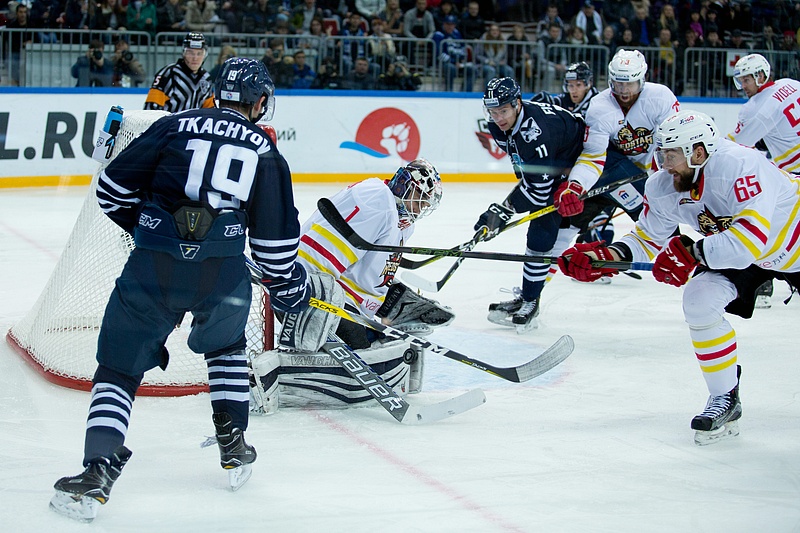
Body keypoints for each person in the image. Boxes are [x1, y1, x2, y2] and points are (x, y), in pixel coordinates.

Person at [49, 57, 310, 521]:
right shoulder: (267, 153)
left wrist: (156, 232)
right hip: (223, 275)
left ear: (214, 92)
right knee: (227, 348)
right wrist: (290, 285)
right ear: (262, 101)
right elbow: (273, 250)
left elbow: (110, 189)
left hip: (152, 267)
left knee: (118, 368)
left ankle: (97, 472)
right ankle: (234, 446)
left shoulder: (172, 126)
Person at [558, 110, 800, 446]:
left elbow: (748, 242)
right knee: (699, 300)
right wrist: (604, 258)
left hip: (787, 241)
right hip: (743, 250)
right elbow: (648, 238)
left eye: (671, 155)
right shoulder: (664, 185)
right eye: (660, 154)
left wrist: (692, 253)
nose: (663, 164)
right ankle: (725, 396)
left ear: (699, 152)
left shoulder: (740, 166)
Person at [249, 159, 452, 412]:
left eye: (426, 203)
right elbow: (323, 257)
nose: (421, 208)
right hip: (304, 291)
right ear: (404, 187)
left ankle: (383, 326)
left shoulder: (397, 217)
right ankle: (276, 371)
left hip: (319, 288)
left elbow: (367, 273)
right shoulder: (378, 200)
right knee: (363, 346)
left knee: (379, 341)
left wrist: (386, 305)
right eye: (419, 198)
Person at [475, 77, 585, 333]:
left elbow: (539, 192)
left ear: (517, 103)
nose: (497, 117)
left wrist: (504, 209)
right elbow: (526, 169)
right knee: (544, 228)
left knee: (541, 228)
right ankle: (529, 296)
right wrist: (503, 209)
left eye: (503, 110)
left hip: (584, 158)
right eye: (492, 111)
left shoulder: (535, 133)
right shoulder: (497, 123)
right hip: (558, 160)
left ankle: (530, 300)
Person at [561, 49, 679, 252]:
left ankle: (683, 261)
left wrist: (660, 175)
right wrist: (576, 185)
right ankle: (588, 257)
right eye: (618, 83)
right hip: (614, 172)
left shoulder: (660, 98)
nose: (624, 90)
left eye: (630, 83)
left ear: (643, 79)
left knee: (661, 222)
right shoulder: (599, 107)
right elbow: (592, 155)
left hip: (646, 174)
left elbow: (670, 144)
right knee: (567, 223)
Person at [727, 53, 800, 308]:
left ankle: (761, 283)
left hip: (792, 180)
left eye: (746, 80)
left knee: (767, 227)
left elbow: (735, 147)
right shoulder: (792, 84)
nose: (743, 86)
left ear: (760, 75)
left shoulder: (756, 107)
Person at [144, 31, 214, 111]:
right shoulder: (168, 73)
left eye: (199, 53)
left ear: (205, 55)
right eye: (190, 53)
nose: (195, 58)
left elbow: (210, 111)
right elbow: (151, 108)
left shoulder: (206, 78)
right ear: (183, 53)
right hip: (170, 123)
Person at [531, 61, 598, 118]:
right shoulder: (566, 98)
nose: (574, 90)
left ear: (588, 84)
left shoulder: (597, 102)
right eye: (571, 85)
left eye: (578, 85)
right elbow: (554, 102)